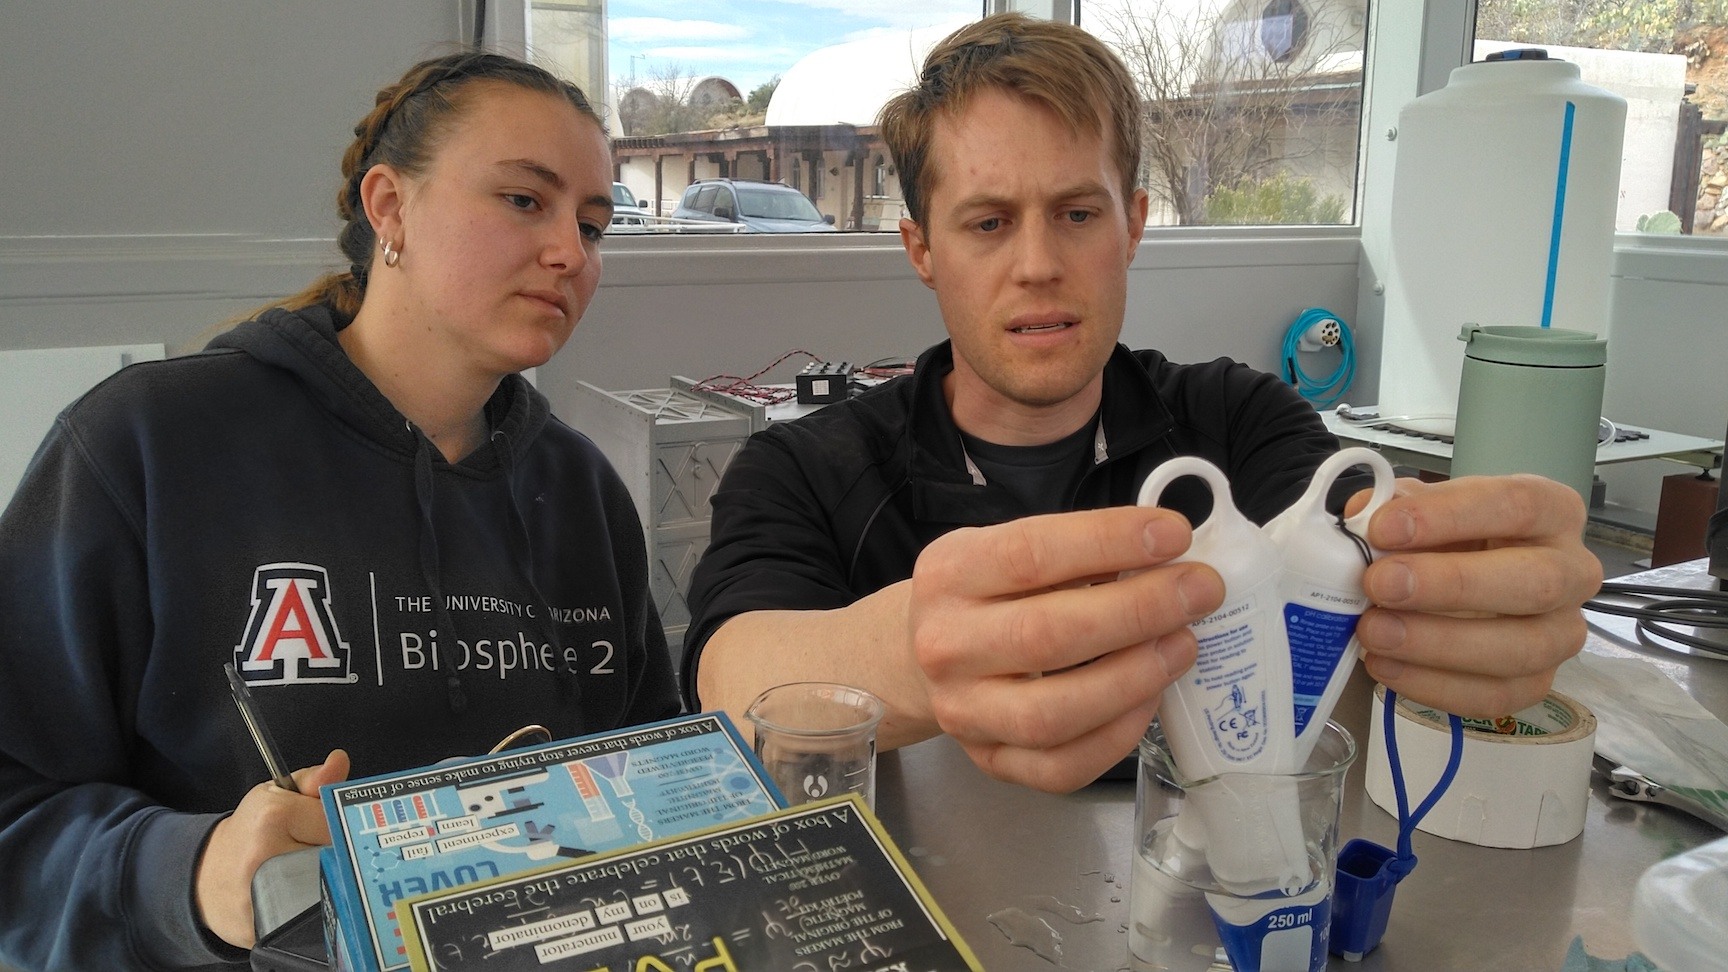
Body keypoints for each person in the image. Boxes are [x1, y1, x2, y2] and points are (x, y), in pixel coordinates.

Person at [683, 14, 1601, 795]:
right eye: (989, 223)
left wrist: (1446, 590)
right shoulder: (805, 468)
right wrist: (912, 655)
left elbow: (1351, 537)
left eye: (1078, 214)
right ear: (922, 250)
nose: (1038, 264)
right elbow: (729, 679)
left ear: (1134, 225)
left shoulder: (1238, 419)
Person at [0, 52, 680, 970]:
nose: (570, 253)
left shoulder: (584, 491)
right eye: (525, 200)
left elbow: (653, 788)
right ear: (390, 206)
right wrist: (193, 876)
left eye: (594, 226)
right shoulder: (146, 445)